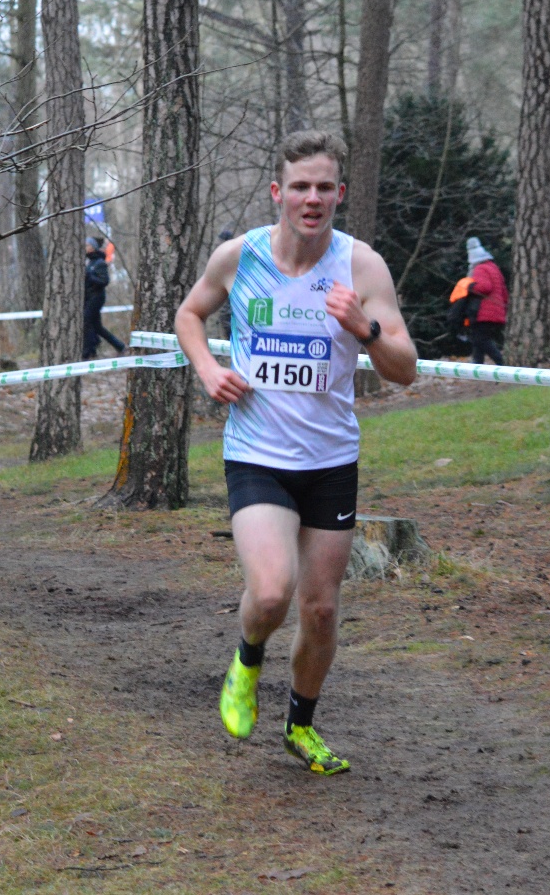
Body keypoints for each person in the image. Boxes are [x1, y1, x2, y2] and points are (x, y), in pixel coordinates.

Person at [174, 130, 418, 775]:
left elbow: (405, 369)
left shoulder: (360, 267)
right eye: (300, 187)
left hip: (331, 462)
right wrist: (206, 369)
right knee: (274, 590)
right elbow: (189, 314)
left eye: (324, 187)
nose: (312, 199)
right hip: (257, 453)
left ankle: (301, 727)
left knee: (320, 608)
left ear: (340, 193)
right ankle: (247, 661)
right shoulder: (240, 256)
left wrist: (361, 328)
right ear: (279, 193)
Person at [464, 237, 508, 365]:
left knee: (480, 339)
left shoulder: (479, 269)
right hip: (497, 310)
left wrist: (470, 287)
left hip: (484, 312)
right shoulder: (493, 267)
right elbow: (503, 291)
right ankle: (477, 366)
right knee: (478, 339)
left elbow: (484, 287)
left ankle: (501, 364)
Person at [82, 237, 125, 359]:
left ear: (93, 247)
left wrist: (89, 276)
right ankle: (119, 346)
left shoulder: (100, 263)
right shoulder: (88, 262)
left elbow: (104, 281)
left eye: (87, 245)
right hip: (88, 298)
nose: (85, 247)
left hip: (96, 298)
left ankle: (88, 352)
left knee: (86, 321)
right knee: (97, 327)